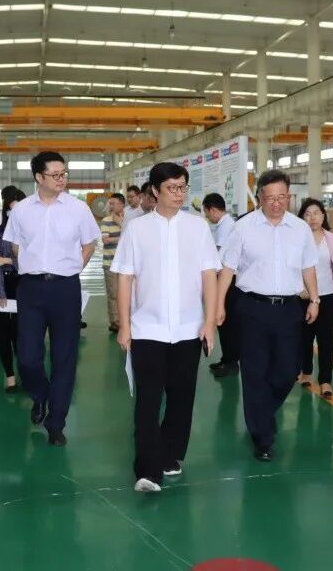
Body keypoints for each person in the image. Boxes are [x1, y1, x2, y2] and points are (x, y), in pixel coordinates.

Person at [113, 163, 220, 493]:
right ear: (154, 191)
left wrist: (209, 322)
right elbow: (125, 278)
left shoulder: (197, 227)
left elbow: (209, 275)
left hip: (188, 328)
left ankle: (170, 453)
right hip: (147, 328)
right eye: (172, 187)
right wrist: (124, 325)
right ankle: (147, 469)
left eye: (182, 187)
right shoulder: (137, 229)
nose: (179, 193)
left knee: (181, 397)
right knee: (148, 399)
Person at [217, 170, 319, 461]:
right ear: (259, 197)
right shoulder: (244, 227)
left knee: (288, 371)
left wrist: (314, 299)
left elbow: (308, 266)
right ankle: (262, 437)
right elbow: (228, 269)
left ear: (289, 196)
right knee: (254, 372)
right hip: (252, 307)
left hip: (288, 308)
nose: (277, 203)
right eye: (271, 198)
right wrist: (219, 305)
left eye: (282, 197)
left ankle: (262, 413)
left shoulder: (300, 228)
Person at [3, 151, 100, 446]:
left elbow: (89, 243)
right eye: (55, 175)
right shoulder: (21, 210)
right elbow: (14, 245)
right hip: (30, 288)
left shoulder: (78, 209)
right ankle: (40, 395)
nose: (62, 179)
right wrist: (31, 263)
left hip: (65, 289)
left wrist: (73, 269)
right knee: (28, 357)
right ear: (38, 177)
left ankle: (56, 422)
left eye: (64, 173)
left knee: (64, 357)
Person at [297, 198, 333, 397]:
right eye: (307, 214)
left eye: (316, 213)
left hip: (328, 296)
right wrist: (299, 287)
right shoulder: (297, 239)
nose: (312, 218)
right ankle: (306, 372)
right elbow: (290, 265)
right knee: (305, 338)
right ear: (302, 217)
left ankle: (325, 380)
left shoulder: (332, 239)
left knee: (326, 340)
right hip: (304, 296)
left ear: (323, 216)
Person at [0, 187, 27, 393]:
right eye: (12, 209)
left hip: (25, 287)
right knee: (2, 334)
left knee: (22, 334)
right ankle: (10, 377)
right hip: (3, 285)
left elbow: (31, 263)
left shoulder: (32, 233)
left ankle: (25, 373)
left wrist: (6, 260)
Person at [202, 193, 239, 378]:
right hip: (226, 278)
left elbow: (217, 256)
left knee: (226, 322)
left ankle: (231, 362)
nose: (207, 217)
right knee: (224, 323)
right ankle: (227, 359)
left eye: (206, 213)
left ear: (213, 210)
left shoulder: (226, 227)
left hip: (228, 280)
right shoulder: (225, 224)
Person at [100, 193, 125, 334]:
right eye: (110, 204)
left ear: (122, 204)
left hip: (125, 264)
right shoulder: (106, 221)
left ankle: (124, 319)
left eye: (113, 203)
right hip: (110, 262)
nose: (110, 206)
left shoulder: (128, 220)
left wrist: (121, 225)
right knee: (113, 293)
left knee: (126, 293)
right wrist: (123, 237)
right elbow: (105, 240)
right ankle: (115, 322)